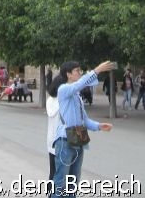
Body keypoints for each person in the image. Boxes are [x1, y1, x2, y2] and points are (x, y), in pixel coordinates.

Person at [52, 60, 115, 198]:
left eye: (81, 71)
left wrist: (99, 126)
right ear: (68, 74)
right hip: (64, 141)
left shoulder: (76, 96)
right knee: (61, 183)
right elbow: (80, 84)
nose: (80, 73)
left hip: (78, 140)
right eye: (77, 71)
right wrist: (97, 70)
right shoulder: (63, 89)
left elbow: (84, 120)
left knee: (73, 183)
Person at [46, 73, 62, 180]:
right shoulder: (63, 102)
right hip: (62, 141)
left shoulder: (50, 100)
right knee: (62, 175)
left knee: (53, 172)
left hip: (51, 139)